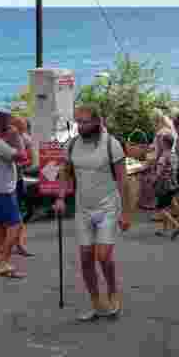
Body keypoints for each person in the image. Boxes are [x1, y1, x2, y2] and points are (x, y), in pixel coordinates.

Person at [54, 104, 131, 321]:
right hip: (83, 209)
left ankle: (113, 292)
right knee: (86, 257)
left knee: (103, 255)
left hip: (107, 207)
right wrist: (60, 197)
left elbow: (123, 181)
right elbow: (65, 173)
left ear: (97, 122)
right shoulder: (72, 145)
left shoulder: (111, 145)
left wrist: (126, 213)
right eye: (78, 121)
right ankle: (96, 302)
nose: (80, 126)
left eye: (85, 122)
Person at [0, 111, 28, 279]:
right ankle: (4, 262)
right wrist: (17, 137)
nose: (13, 128)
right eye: (10, 125)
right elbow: (23, 157)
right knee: (15, 226)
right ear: (4, 127)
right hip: (4, 191)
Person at [12, 116, 34, 257]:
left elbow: (31, 160)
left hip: (17, 180)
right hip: (5, 182)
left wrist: (16, 165)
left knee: (20, 212)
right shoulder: (5, 139)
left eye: (21, 127)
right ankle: (2, 245)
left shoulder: (26, 140)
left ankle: (19, 243)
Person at [153, 132, 179, 237]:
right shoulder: (174, 155)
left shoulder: (164, 156)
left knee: (161, 208)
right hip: (173, 184)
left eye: (161, 142)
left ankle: (177, 225)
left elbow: (159, 172)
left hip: (165, 185)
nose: (160, 144)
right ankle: (165, 229)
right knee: (167, 206)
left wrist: (154, 180)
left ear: (165, 143)